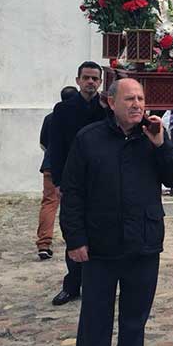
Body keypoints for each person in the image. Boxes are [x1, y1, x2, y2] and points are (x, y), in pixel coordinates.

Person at [60, 78, 173, 346]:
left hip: (143, 243)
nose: (137, 104)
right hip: (100, 245)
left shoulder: (153, 137)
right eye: (129, 99)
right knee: (95, 316)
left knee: (134, 319)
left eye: (140, 98)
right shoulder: (89, 138)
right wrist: (75, 239)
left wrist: (161, 145)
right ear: (111, 102)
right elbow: (72, 192)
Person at [49, 62, 107, 307]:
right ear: (78, 80)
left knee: (99, 233)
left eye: (95, 78)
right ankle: (71, 285)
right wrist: (58, 181)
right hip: (72, 179)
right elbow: (55, 147)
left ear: (100, 82)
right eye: (86, 78)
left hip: (100, 180)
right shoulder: (63, 109)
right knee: (74, 232)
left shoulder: (106, 109)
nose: (90, 82)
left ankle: (97, 284)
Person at [36, 85, 78, 260]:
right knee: (75, 202)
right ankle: (73, 237)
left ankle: (44, 243)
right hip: (72, 165)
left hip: (51, 164)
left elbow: (43, 142)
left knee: (49, 202)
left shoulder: (50, 117)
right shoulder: (77, 116)